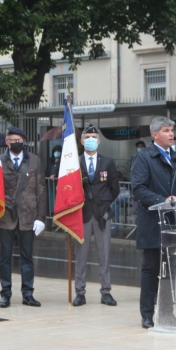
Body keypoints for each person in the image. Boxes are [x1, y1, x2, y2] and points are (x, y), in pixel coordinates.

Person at [131, 116, 176, 329]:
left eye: (172, 130)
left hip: (173, 223)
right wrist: (163, 201)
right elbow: (139, 188)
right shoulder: (144, 157)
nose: (172, 134)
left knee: (170, 271)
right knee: (151, 269)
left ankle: (167, 314)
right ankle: (147, 315)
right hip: (153, 222)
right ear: (155, 135)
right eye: (167, 130)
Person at [0, 127, 47, 308]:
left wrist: (41, 217)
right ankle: (6, 293)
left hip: (28, 216)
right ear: (7, 142)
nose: (15, 142)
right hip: (5, 216)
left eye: (18, 139)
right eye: (11, 140)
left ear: (24, 141)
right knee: (4, 257)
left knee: (27, 257)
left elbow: (41, 189)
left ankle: (27, 293)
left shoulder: (34, 161)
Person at [72, 124, 120, 307]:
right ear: (82, 141)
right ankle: (80, 292)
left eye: (94, 137)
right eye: (87, 137)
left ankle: (106, 292)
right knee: (81, 256)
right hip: (82, 214)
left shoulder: (107, 162)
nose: (91, 140)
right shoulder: (75, 162)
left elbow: (114, 188)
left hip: (102, 215)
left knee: (105, 255)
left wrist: (103, 201)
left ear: (99, 141)